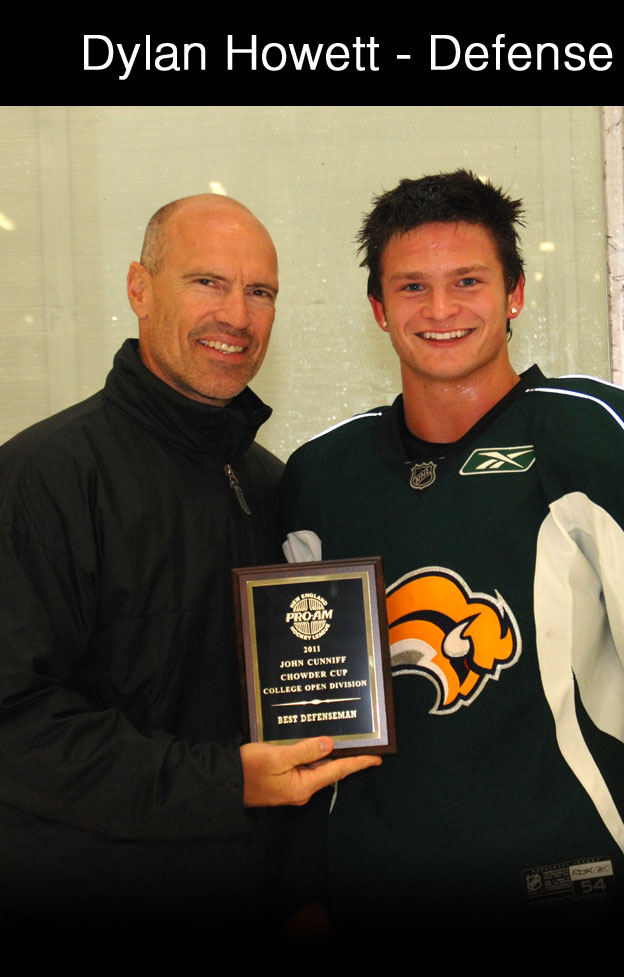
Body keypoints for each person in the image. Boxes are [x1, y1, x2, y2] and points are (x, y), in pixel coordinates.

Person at [277, 171, 624, 937]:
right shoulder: (322, 475)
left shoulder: (601, 435)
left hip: (575, 892)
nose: (442, 309)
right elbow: (300, 712)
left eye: (467, 281)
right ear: (378, 310)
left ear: (515, 294)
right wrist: (301, 887)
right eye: (412, 287)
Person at [0, 194, 379, 934]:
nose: (236, 315)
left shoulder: (273, 485)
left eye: (260, 291)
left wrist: (304, 887)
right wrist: (225, 784)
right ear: (139, 288)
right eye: (207, 282)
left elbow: (306, 711)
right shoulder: (43, 478)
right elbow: (15, 722)